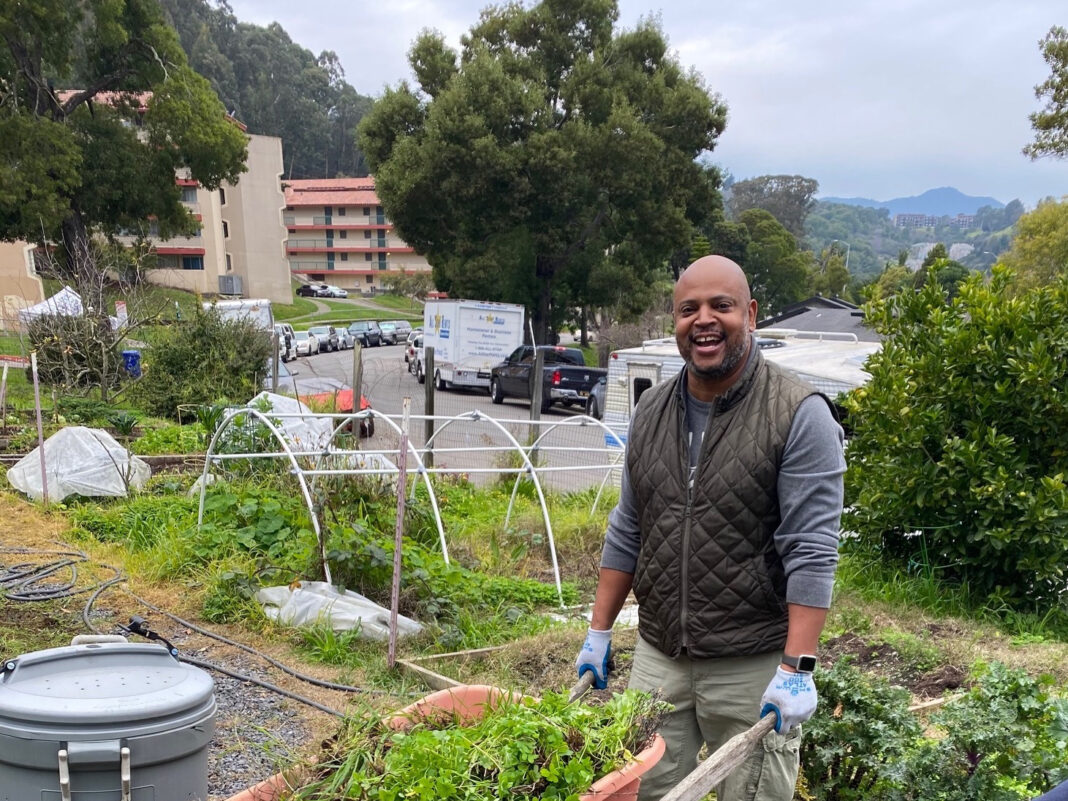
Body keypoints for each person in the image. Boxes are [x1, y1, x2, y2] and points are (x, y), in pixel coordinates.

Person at [575, 255, 845, 801]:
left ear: (750, 313)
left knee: (752, 793)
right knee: (644, 791)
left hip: (752, 659)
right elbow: (629, 526)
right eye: (688, 309)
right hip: (659, 655)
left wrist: (797, 667)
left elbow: (811, 550)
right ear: (673, 322)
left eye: (720, 306)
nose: (704, 320)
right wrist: (598, 632)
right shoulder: (651, 409)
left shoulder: (798, 411)